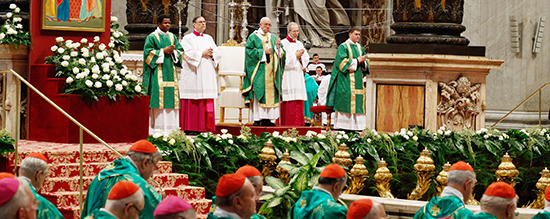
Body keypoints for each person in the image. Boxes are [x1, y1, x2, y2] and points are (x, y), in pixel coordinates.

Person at [81, 140, 162, 218]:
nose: (152, 175)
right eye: (154, 167)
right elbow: (162, 212)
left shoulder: (101, 176)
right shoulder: (135, 183)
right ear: (145, 162)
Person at [143, 14, 185, 134]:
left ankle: (172, 130)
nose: (168, 25)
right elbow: (147, 54)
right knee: (159, 100)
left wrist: (173, 52)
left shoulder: (172, 37)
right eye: (165, 23)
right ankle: (158, 130)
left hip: (171, 72)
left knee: (171, 102)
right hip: (157, 73)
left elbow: (181, 51)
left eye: (169, 23)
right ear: (159, 24)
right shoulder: (152, 37)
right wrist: (163, 51)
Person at [179, 16, 222, 133]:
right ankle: (190, 127)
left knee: (206, 98)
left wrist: (212, 54)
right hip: (194, 72)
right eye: (200, 22)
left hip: (207, 71)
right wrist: (201, 54)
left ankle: (206, 127)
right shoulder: (188, 38)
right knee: (193, 100)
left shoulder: (209, 38)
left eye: (204, 22)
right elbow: (186, 53)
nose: (203, 24)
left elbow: (218, 53)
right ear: (194, 24)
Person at [242, 17, 286, 126]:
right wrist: (263, 52)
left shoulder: (273, 38)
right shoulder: (253, 37)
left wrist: (277, 47)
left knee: (271, 94)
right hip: (259, 71)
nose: (267, 27)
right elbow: (248, 53)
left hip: (272, 72)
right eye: (265, 24)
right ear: (260, 24)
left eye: (269, 25)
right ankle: (257, 119)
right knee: (259, 91)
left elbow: (282, 54)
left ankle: (268, 119)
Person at [326, 26, 370, 131]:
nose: (358, 36)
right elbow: (342, 63)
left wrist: (364, 61)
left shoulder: (360, 47)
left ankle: (357, 126)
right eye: (356, 34)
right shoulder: (343, 47)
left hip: (358, 79)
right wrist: (357, 61)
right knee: (346, 101)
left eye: (359, 34)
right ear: (350, 34)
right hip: (345, 80)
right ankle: (344, 126)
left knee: (358, 103)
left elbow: (366, 61)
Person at [280, 22, 309, 126]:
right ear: (288, 32)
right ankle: (287, 125)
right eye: (294, 31)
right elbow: (283, 61)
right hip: (288, 76)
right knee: (289, 101)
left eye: (297, 31)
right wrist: (295, 55)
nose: (296, 33)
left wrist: (301, 57)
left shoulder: (299, 44)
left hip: (298, 75)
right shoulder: (283, 44)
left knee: (298, 100)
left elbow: (306, 58)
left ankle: (299, 125)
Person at [18, 153, 64, 219]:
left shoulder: (4, 193)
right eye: (45, 177)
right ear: (38, 175)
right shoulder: (43, 205)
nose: (44, 180)